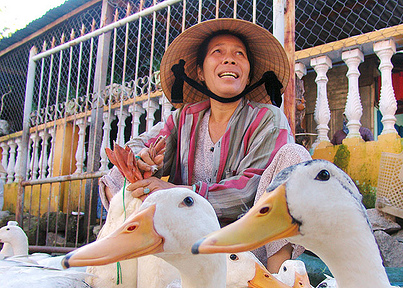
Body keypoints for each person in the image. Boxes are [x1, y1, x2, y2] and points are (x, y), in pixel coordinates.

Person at [99, 19, 310, 273]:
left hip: (243, 249)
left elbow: (247, 192)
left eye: (239, 54)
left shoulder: (267, 118)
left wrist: (177, 192)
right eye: (217, 52)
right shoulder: (183, 118)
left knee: (295, 157)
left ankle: (279, 282)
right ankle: (118, 265)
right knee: (118, 172)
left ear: (249, 74)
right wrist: (143, 160)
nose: (229, 60)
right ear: (200, 72)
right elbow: (137, 146)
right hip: (185, 244)